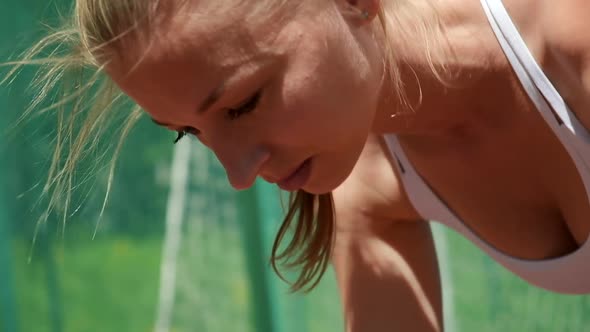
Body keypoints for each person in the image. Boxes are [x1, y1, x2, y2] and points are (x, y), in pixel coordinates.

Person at [4, 0, 590, 330]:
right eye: (188, 133)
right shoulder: (364, 187)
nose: (237, 174)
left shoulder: (573, 43)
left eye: (242, 104)